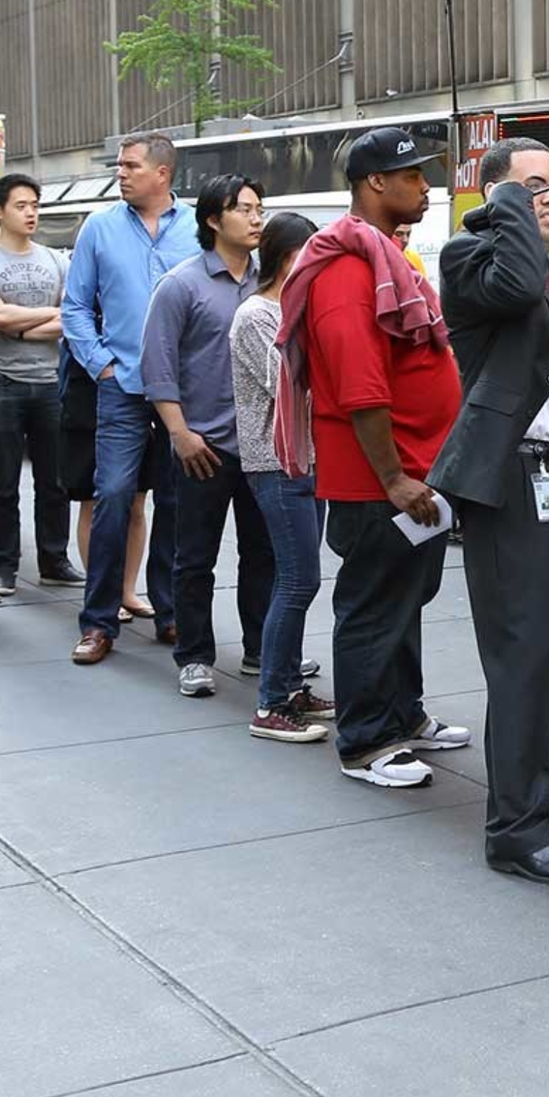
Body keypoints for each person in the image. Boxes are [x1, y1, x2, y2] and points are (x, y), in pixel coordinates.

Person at [430, 136, 549, 885]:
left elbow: (545, 356)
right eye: (531, 186)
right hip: (513, 485)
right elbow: (510, 290)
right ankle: (515, 828)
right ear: (495, 196)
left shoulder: (539, 264)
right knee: (522, 662)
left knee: (542, 661)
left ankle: (534, 798)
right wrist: (504, 204)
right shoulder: (472, 257)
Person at [276, 127, 467, 790]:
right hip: (381, 483)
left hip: (416, 472)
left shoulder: (388, 259)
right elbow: (361, 386)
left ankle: (403, 716)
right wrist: (392, 475)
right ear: (373, 183)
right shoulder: (346, 271)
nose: (425, 184)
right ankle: (364, 742)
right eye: (412, 174)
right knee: (371, 607)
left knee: (404, 601)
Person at [60, 132, 199, 664]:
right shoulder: (99, 227)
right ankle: (98, 622)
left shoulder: (195, 228)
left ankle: (170, 612)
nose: (120, 173)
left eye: (130, 165)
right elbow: (74, 307)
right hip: (120, 387)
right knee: (114, 496)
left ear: (163, 173)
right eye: (118, 165)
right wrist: (103, 366)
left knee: (178, 501)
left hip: (184, 392)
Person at [142, 173, 273, 699]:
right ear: (214, 220)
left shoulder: (272, 280)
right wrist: (180, 434)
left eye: (259, 208)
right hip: (205, 447)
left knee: (264, 554)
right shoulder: (182, 284)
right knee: (194, 557)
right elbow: (157, 366)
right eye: (243, 209)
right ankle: (194, 655)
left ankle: (262, 647)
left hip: (263, 444)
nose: (256, 218)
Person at [231, 211, 330, 743]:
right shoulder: (256, 316)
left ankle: (290, 686)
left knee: (297, 577)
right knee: (297, 579)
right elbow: (289, 383)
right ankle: (270, 702)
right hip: (276, 462)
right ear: (293, 258)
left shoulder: (295, 310)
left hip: (309, 460)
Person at [0, 173, 84, 595]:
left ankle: (54, 559)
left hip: (51, 380)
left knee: (54, 479)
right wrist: (22, 320)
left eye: (35, 204)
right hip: (1, 380)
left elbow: (72, 317)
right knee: (3, 479)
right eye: (21, 205)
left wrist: (18, 325)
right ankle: (4, 565)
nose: (31, 212)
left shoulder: (56, 259)